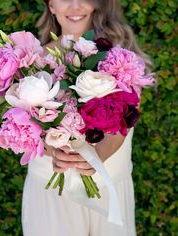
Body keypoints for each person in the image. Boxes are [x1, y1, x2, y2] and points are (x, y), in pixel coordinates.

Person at [22, 0, 152, 235]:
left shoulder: (120, 60)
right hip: (50, 190)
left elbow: (123, 123)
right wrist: (55, 152)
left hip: (109, 185)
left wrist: (96, 158)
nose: (75, 6)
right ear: (51, 5)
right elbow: (23, 129)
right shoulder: (31, 63)